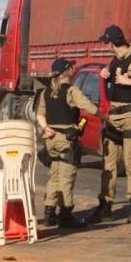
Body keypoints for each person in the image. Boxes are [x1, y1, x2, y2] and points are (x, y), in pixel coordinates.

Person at [85, 25, 131, 224]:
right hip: (113, 116)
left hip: (130, 116)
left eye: (106, 42)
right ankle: (105, 205)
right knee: (108, 163)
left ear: (111, 42)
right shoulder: (116, 58)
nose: (106, 46)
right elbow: (111, 77)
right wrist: (105, 74)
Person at [36, 58, 104, 228]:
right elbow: (88, 106)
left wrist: (46, 128)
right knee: (66, 177)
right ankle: (65, 215)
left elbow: (39, 115)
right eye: (71, 66)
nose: (74, 68)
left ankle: (49, 214)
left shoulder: (46, 92)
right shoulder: (71, 91)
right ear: (67, 71)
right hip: (66, 139)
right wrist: (104, 116)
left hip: (51, 139)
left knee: (54, 176)